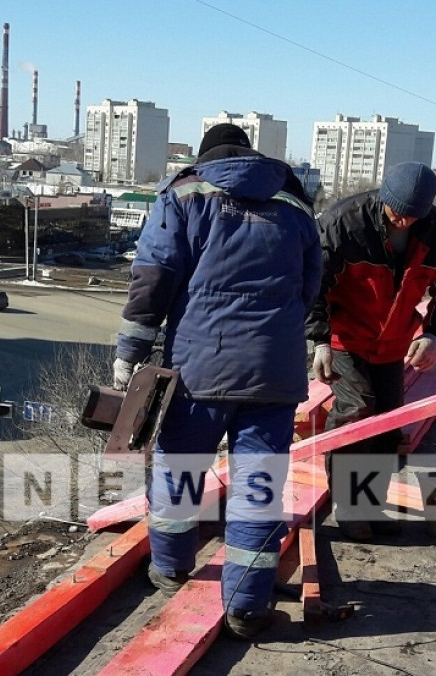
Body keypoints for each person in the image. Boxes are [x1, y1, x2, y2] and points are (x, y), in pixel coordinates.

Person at [113, 123, 321, 639]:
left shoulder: (183, 196)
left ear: (207, 158)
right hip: (275, 372)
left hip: (199, 370)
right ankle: (246, 607)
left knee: (180, 471)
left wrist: (130, 352)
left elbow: (154, 278)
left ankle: (170, 568)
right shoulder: (295, 205)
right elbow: (311, 287)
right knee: (259, 487)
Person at [306, 161, 436, 542]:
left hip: (393, 343)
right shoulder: (343, 223)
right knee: (357, 410)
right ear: (384, 198)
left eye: (412, 216)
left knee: (387, 423)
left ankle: (370, 504)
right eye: (396, 212)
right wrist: (319, 340)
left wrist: (435, 335)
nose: (403, 221)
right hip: (346, 338)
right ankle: (351, 507)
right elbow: (312, 283)